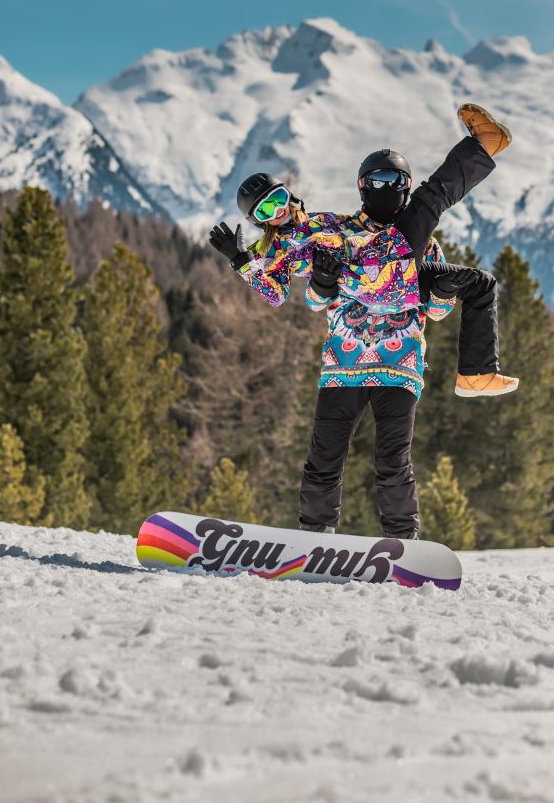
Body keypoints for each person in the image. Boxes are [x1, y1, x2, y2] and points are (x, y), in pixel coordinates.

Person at [210, 104, 517, 538]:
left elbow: (436, 310)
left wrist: (439, 293)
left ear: (291, 195)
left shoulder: (334, 225)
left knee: (394, 462)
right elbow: (280, 292)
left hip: (398, 347)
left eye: (279, 201)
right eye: (265, 212)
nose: (277, 213)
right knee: (324, 458)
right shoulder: (296, 241)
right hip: (345, 361)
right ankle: (315, 536)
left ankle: (401, 541)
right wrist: (245, 261)